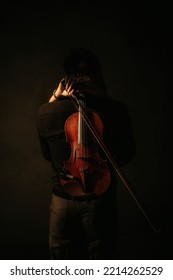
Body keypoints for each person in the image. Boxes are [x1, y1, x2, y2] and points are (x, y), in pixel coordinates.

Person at [37, 47, 135, 260]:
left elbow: (47, 155)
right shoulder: (116, 111)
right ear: (97, 75)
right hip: (100, 197)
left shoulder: (45, 112)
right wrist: (102, 94)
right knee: (101, 258)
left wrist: (56, 95)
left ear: (66, 78)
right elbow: (127, 155)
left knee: (61, 262)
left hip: (62, 199)